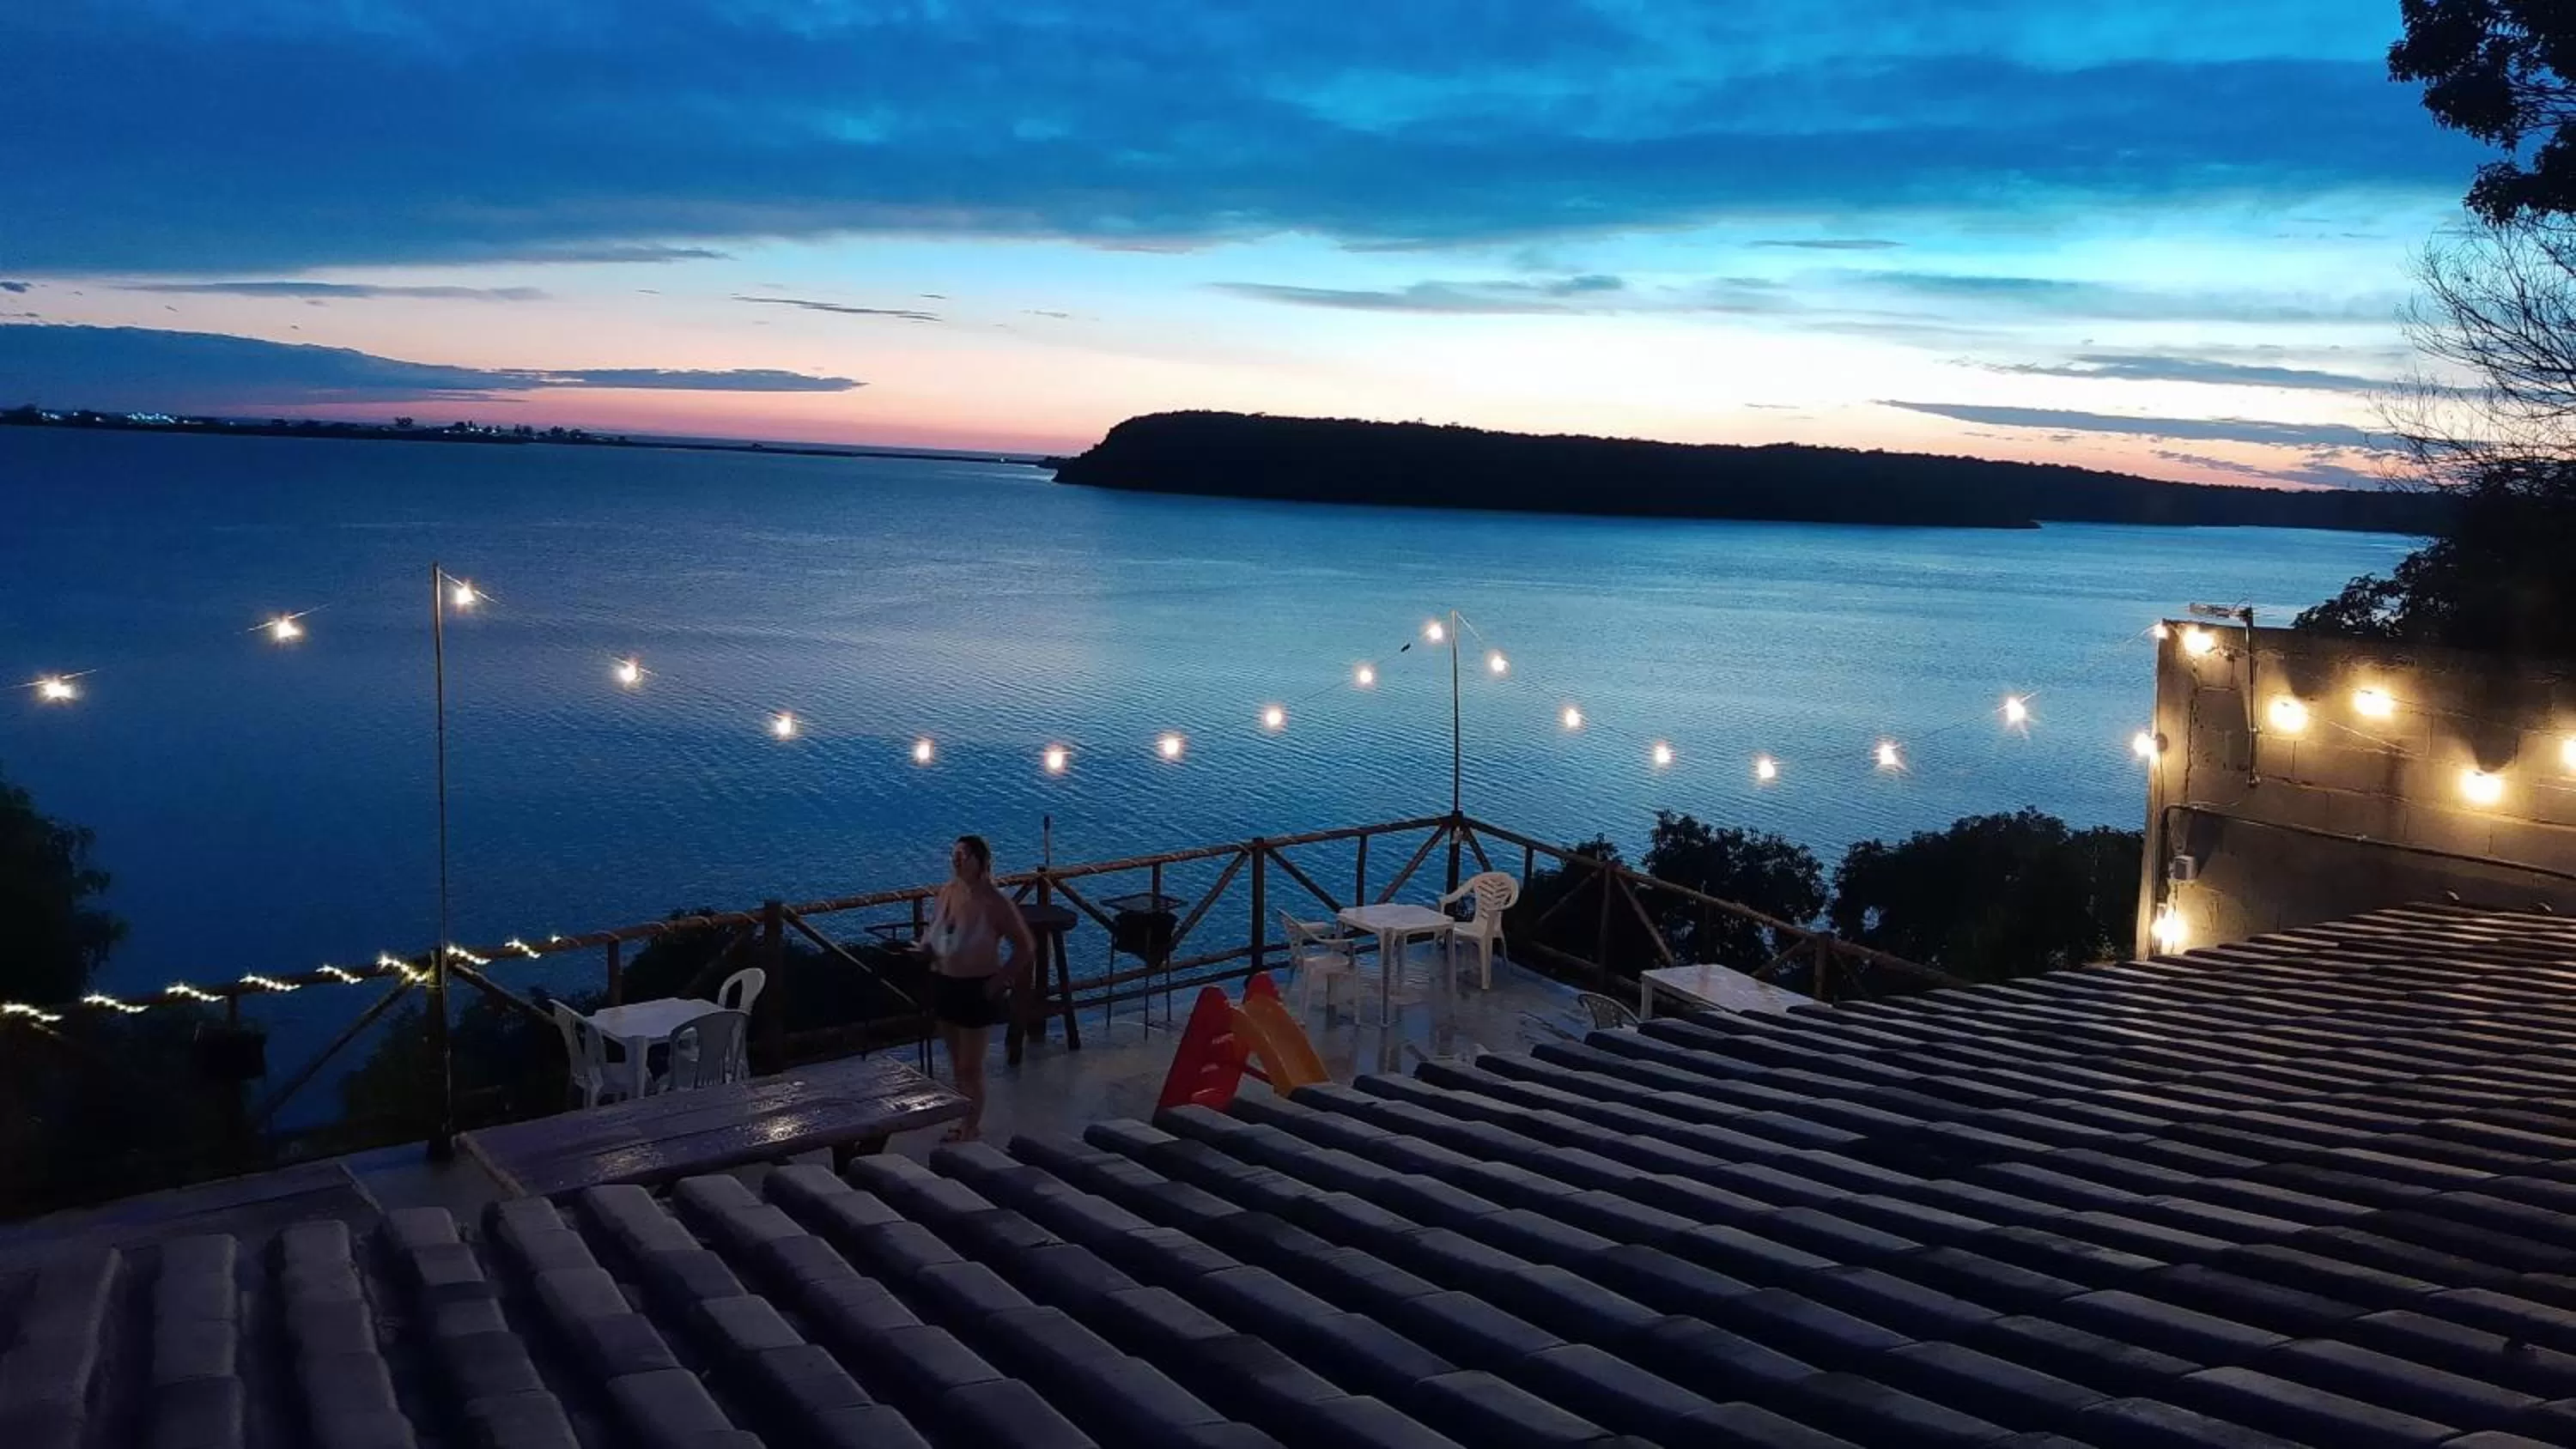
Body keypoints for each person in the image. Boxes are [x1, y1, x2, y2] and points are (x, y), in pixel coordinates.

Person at [921, 834, 1035, 1141]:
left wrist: (998, 982)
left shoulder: (996, 902)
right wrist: (926, 950)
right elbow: (938, 932)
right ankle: (965, 1121)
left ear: (981, 861)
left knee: (971, 1066)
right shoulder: (947, 892)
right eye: (955, 855)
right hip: (946, 983)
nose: (957, 861)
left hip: (977, 988)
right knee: (958, 1063)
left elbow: (1025, 947)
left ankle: (971, 1126)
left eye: (964, 856)